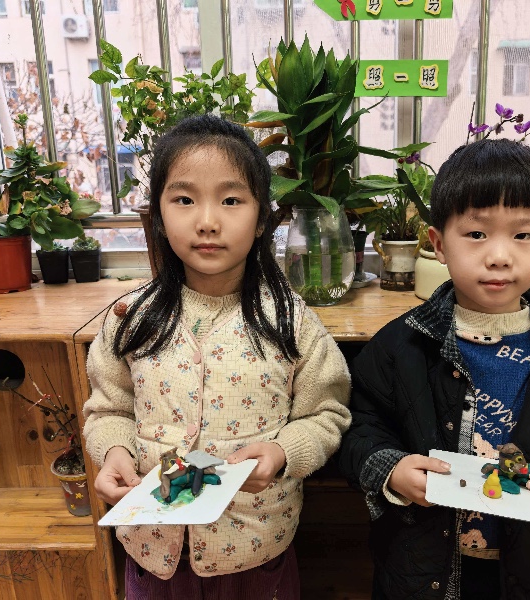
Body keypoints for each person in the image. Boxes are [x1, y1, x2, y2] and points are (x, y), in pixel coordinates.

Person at [338, 139, 530, 599]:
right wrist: (390, 469)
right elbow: (360, 426)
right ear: (438, 244)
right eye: (477, 234)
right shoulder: (399, 345)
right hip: (419, 563)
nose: (500, 255)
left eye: (523, 236)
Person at [83, 114, 351, 599]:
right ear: (158, 213)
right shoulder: (130, 317)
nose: (207, 221)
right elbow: (109, 410)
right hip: (152, 553)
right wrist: (114, 452)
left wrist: (283, 453)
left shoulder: (292, 322)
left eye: (231, 200)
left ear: (263, 216)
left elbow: (326, 413)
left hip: (256, 550)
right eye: (184, 200)